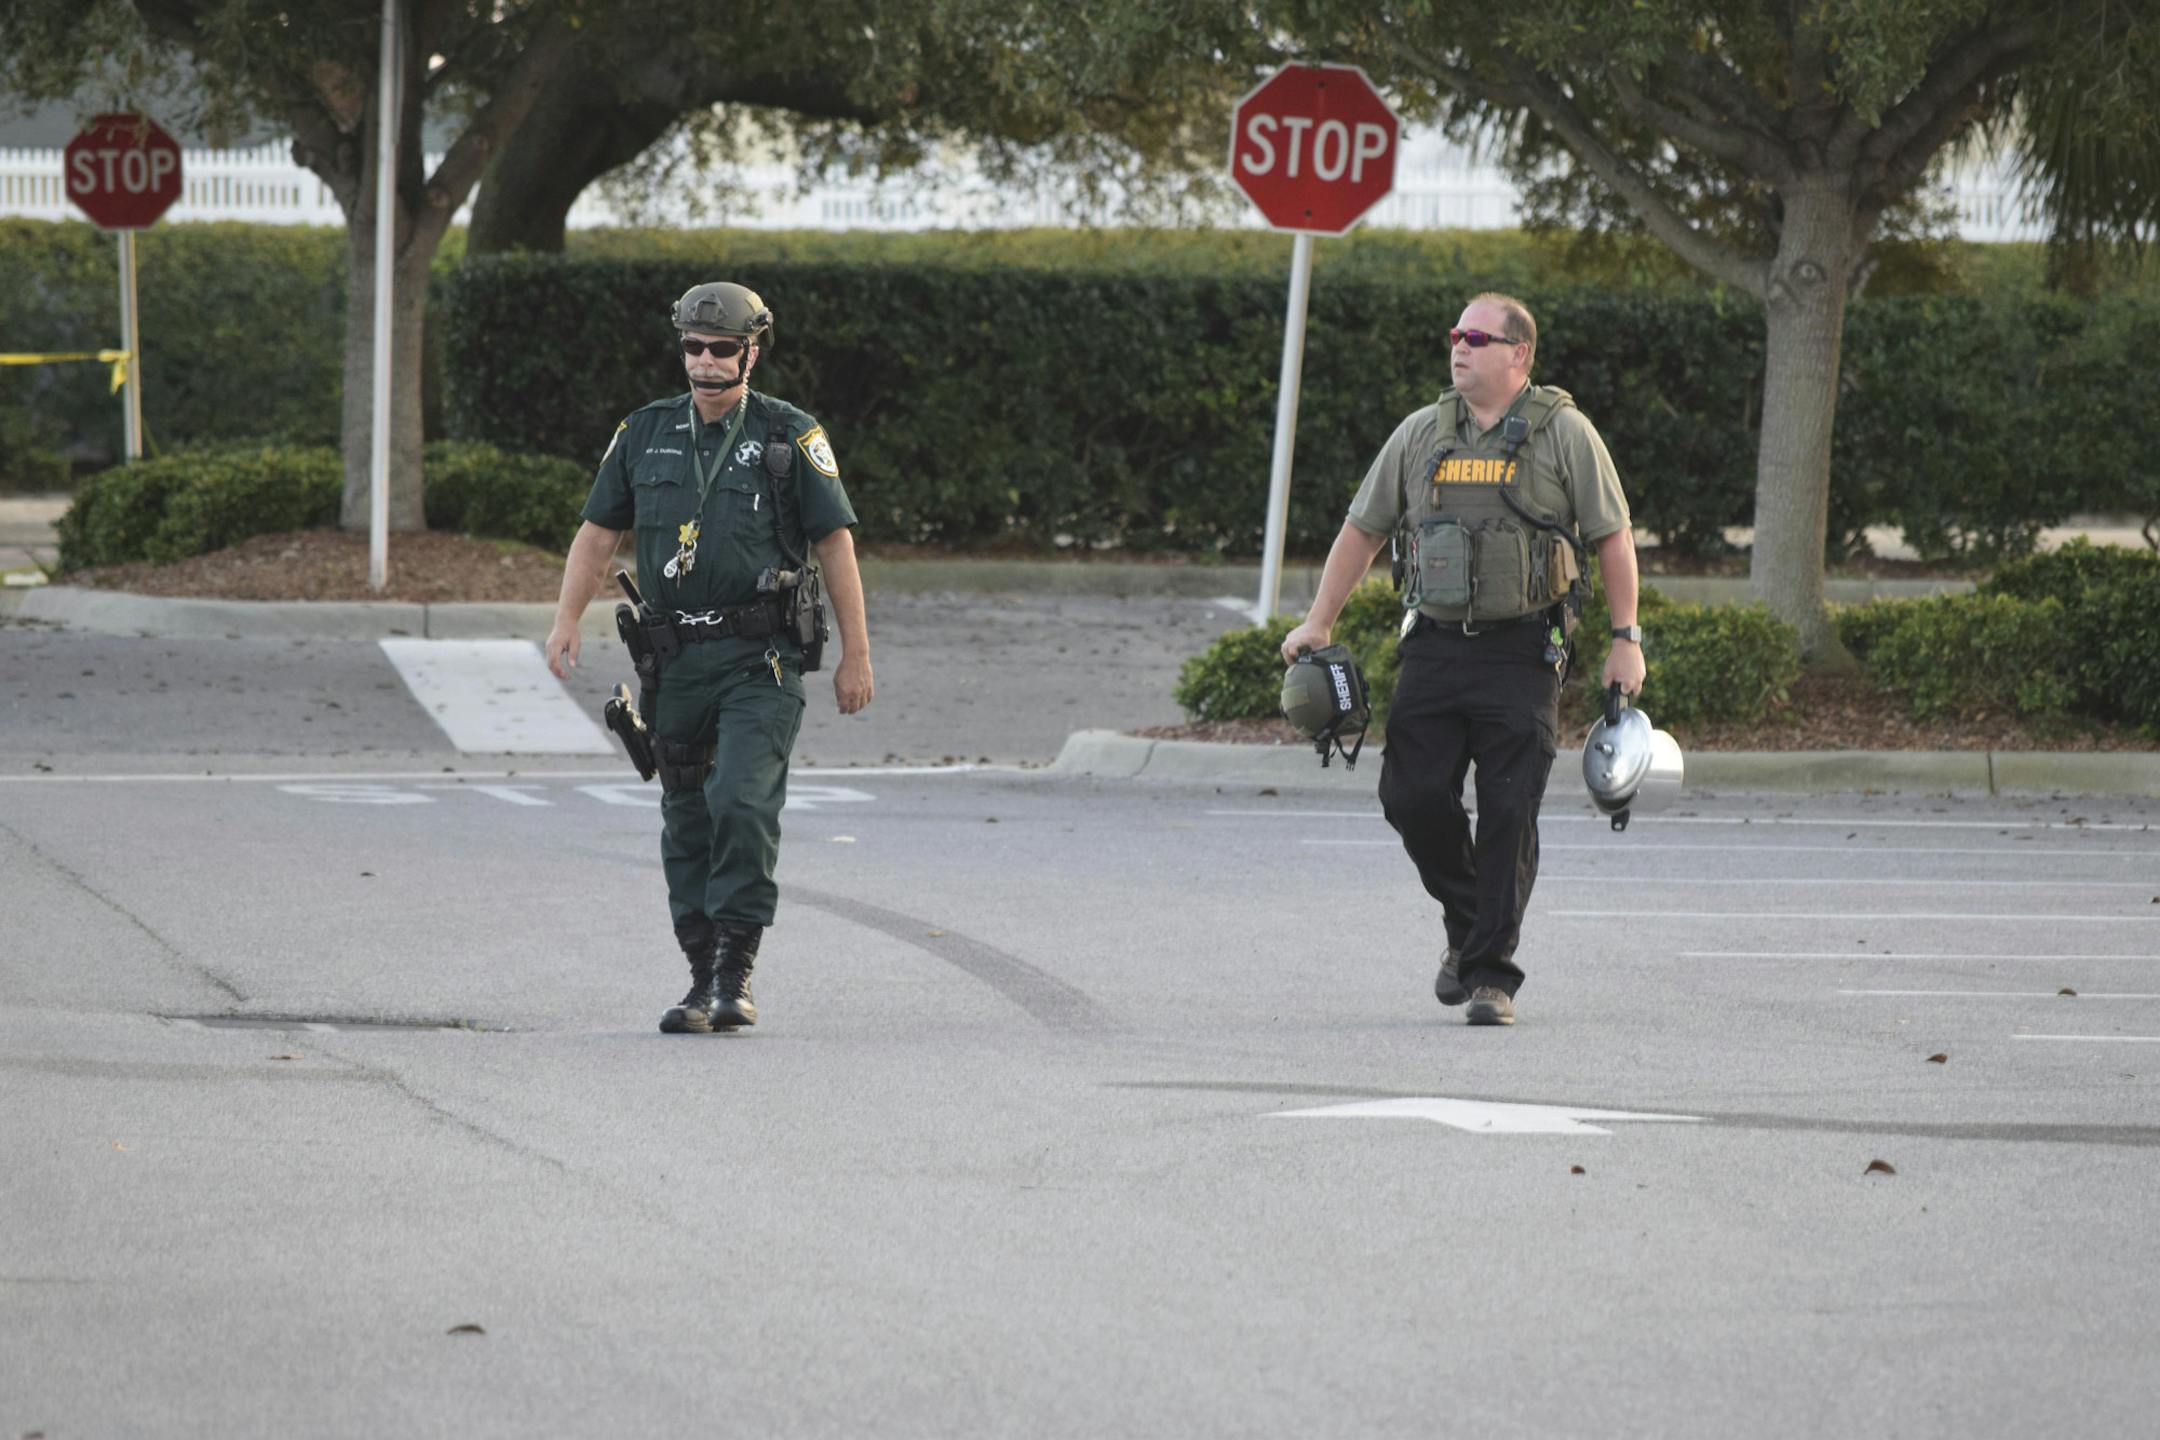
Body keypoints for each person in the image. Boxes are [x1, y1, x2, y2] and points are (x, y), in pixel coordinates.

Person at [1280, 292, 1644, 1027]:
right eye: (1455, 335)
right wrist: (1319, 621)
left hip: (1524, 652)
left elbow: (1612, 537)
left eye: (1477, 337)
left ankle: (1489, 977)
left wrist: (1624, 639)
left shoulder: (1564, 433)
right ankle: (1472, 927)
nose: (1460, 346)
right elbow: (1362, 530)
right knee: (1410, 798)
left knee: (1509, 809)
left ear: (1520, 355)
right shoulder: (1421, 433)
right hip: (1436, 646)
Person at [545, 281, 874, 1033]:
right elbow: (598, 534)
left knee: (742, 802)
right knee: (686, 816)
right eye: (693, 347)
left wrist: (858, 654)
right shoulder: (644, 432)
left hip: (760, 660)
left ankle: (736, 971)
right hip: (675, 664)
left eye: (722, 348)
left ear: (751, 352)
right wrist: (567, 618)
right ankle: (699, 981)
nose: (706, 362)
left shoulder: (791, 437)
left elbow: (836, 545)